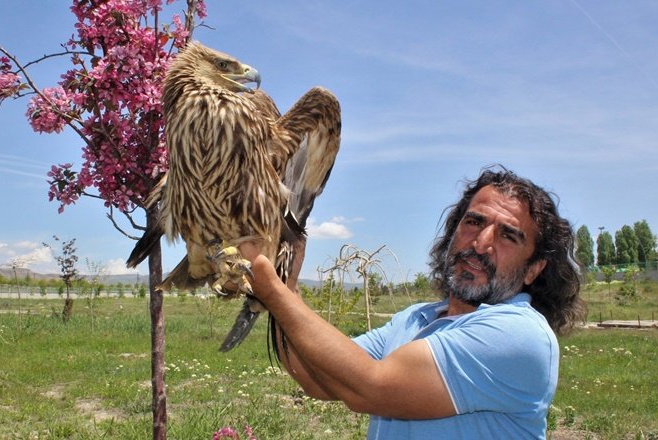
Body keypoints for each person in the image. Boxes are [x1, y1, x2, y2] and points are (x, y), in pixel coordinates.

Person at [238, 167, 586, 439]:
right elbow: (319, 379)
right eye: (473, 222)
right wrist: (287, 284)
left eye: (508, 235)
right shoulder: (415, 319)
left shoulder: (519, 335)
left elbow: (368, 387)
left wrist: (273, 291)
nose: (480, 243)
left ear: (534, 269)